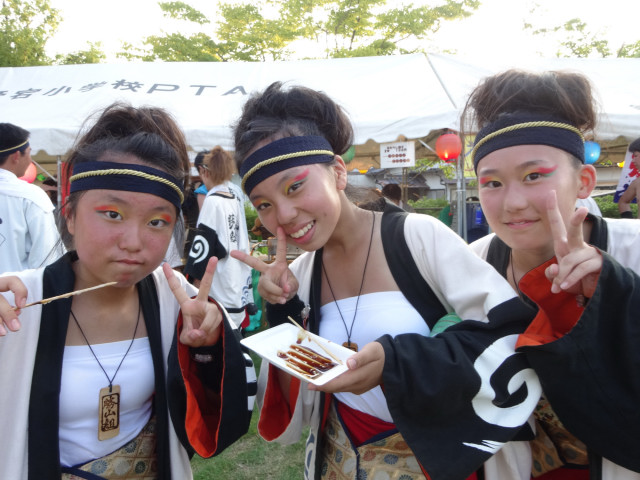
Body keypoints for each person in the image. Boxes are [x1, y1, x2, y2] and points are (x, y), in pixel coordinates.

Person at [230, 82, 541, 480]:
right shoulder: (302, 272)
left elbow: (510, 338)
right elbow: (298, 399)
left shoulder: (417, 237)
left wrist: (399, 362)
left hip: (434, 463)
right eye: (264, 204)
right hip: (338, 462)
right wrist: (283, 309)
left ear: (337, 172)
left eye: (295, 186)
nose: (284, 214)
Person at [0, 104, 251, 479]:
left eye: (157, 221)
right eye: (112, 214)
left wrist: (207, 348)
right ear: (69, 215)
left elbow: (222, 417)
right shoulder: (17, 304)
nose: (134, 242)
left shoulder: (177, 300)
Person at [463, 69, 640, 479]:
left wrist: (615, 291)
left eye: (534, 176)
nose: (512, 203)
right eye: (492, 183)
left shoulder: (633, 248)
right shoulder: (472, 265)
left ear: (584, 181)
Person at [185, 146, 254, 330]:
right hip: (236, 278)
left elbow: (204, 245)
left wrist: (195, 281)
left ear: (204, 172)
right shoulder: (233, 198)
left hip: (219, 283)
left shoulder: (212, 200)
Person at [0, 123, 61, 273]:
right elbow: (47, 259)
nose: (30, 160)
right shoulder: (31, 196)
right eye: (29, 152)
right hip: (15, 287)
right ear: (16, 156)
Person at [617, 137, 640, 218]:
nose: (633, 161)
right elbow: (623, 202)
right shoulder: (637, 182)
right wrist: (630, 222)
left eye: (636, 156)